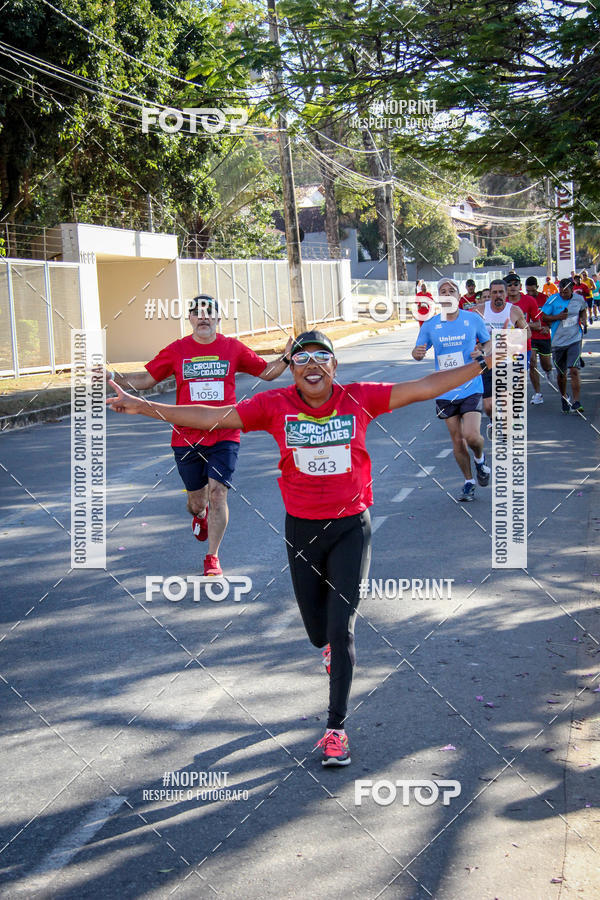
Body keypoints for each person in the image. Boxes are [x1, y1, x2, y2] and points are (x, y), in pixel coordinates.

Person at [108, 329, 501, 766]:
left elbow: (425, 386)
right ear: (291, 369)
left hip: (352, 527)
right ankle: (329, 648)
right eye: (302, 359)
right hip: (302, 530)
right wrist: (146, 407)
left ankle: (336, 730)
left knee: (341, 630)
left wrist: (483, 364)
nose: (312, 365)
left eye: (322, 357)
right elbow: (213, 416)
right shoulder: (272, 405)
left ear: (335, 366)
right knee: (318, 634)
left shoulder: (359, 398)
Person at [105, 294, 292, 576]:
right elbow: (145, 380)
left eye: (209, 312)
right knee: (197, 502)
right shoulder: (177, 350)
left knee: (218, 493)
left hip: (225, 432)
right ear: (190, 318)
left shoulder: (232, 348)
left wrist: (287, 357)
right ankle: (200, 516)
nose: (202, 316)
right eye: (196, 312)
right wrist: (109, 377)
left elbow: (266, 372)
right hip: (186, 436)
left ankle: (212, 557)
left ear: (218, 317)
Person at [412, 277, 492, 502]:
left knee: (472, 436)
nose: (447, 293)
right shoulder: (431, 325)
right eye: (443, 291)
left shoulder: (472, 319)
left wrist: (482, 352)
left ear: (458, 296)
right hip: (445, 389)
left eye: (452, 290)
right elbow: (418, 350)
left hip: (471, 385)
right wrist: (417, 354)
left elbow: (487, 343)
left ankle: (480, 460)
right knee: (457, 440)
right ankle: (468, 482)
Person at [472, 278, 529, 432]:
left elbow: (527, 333)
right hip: (486, 362)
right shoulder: (479, 310)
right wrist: (477, 344)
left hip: (508, 362)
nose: (498, 295)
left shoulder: (514, 311)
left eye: (501, 292)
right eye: (494, 292)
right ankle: (493, 419)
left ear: (506, 294)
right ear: (490, 294)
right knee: (488, 405)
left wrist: (510, 338)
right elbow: (469, 335)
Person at [542, 278, 587, 413]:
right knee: (561, 374)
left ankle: (576, 401)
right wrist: (558, 317)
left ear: (572, 289)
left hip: (574, 339)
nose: (563, 294)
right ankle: (563, 397)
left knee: (574, 369)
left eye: (566, 292)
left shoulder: (579, 299)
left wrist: (584, 319)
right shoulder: (553, 300)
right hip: (557, 342)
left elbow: (583, 310)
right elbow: (543, 316)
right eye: (561, 292)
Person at [525, 276, 554, 404]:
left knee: (546, 364)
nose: (530, 294)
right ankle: (538, 393)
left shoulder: (545, 298)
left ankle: (548, 371)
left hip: (544, 336)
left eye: (533, 291)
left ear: (537, 287)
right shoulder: (524, 300)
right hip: (530, 336)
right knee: (532, 363)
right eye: (528, 291)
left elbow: (551, 316)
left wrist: (548, 327)